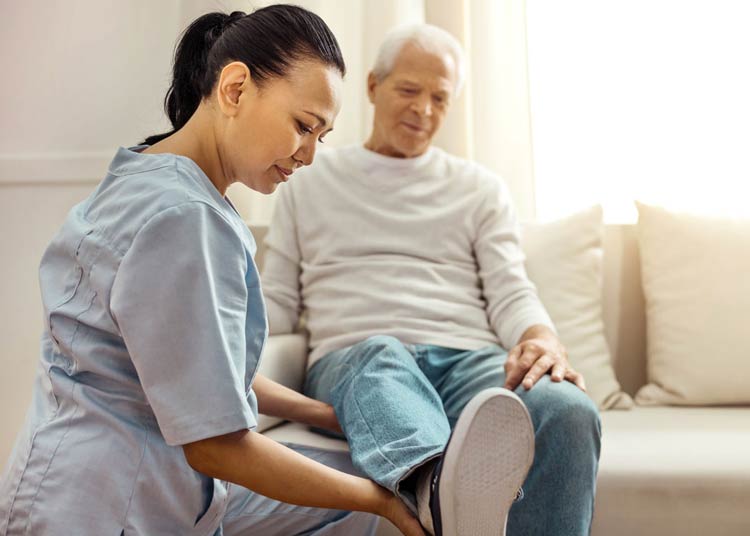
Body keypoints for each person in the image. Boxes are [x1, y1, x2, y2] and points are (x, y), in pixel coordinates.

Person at [0, 7, 424, 536]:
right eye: (302, 126)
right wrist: (381, 502)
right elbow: (215, 444)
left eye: (323, 136)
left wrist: (327, 414)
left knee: (350, 481)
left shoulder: (147, 171)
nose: (311, 155)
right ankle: (432, 490)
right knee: (368, 499)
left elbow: (203, 370)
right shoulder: (185, 220)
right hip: (107, 507)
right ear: (235, 89)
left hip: (74, 480)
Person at [261, 23, 602, 536]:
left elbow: (511, 289)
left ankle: (447, 504)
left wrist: (541, 338)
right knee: (381, 353)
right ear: (374, 86)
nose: (423, 110)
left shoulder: (479, 189)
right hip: (360, 362)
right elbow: (277, 301)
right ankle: (443, 497)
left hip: (467, 361)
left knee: (566, 408)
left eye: (440, 98)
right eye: (409, 90)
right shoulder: (306, 180)